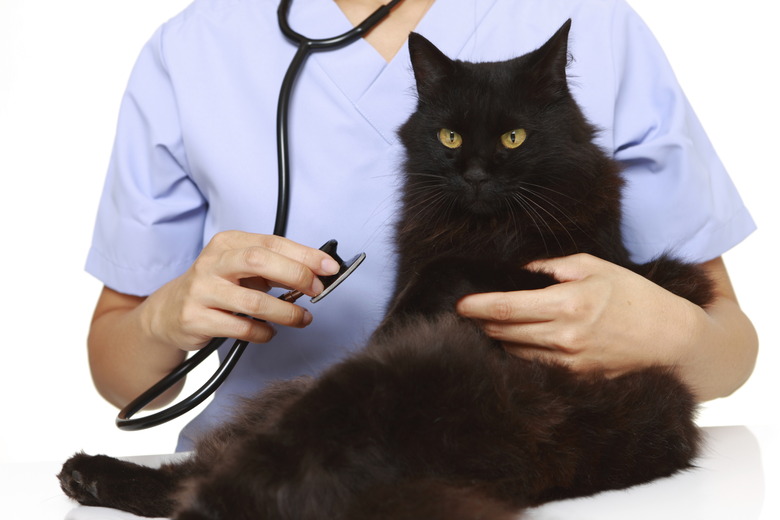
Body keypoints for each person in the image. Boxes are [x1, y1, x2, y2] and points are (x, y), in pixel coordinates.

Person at [85, 0, 758, 451]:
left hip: (528, 464)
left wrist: (664, 334)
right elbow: (122, 377)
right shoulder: (195, 47)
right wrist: (160, 320)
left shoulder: (591, 19)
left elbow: (730, 348)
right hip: (264, 474)